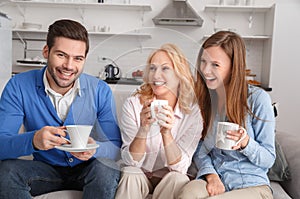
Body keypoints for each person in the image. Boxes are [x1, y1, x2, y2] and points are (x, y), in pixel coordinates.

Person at [0, 19, 122, 199]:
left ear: (84, 59)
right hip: (44, 171)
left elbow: (115, 146)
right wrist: (33, 140)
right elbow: (1, 144)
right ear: (46, 51)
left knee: (106, 169)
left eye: (78, 58)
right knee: (7, 171)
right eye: (61, 55)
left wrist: (94, 149)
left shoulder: (99, 90)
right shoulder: (18, 86)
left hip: (89, 170)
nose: (69, 66)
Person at [178, 31, 276, 199]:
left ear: (233, 67)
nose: (206, 70)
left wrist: (245, 143)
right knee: (188, 193)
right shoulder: (206, 100)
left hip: (252, 184)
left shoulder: (257, 99)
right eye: (203, 62)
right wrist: (211, 176)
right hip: (218, 179)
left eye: (215, 65)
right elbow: (200, 150)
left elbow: (268, 159)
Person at [115, 43, 203, 199]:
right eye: (152, 68)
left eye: (165, 68)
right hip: (140, 175)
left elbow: (181, 167)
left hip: (169, 179)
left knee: (178, 178)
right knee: (130, 172)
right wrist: (143, 129)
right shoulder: (134, 104)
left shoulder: (193, 113)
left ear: (179, 74)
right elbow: (130, 160)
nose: (156, 76)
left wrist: (167, 133)